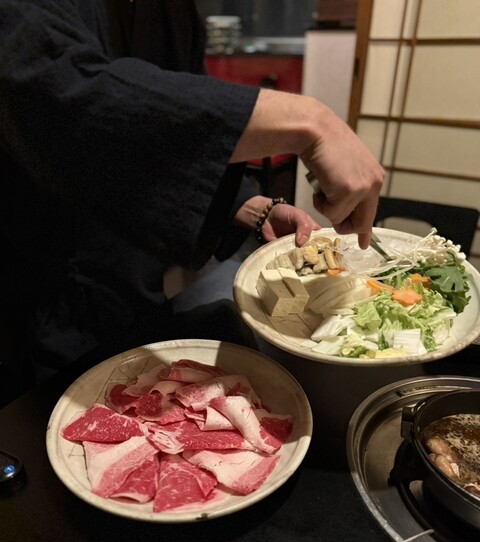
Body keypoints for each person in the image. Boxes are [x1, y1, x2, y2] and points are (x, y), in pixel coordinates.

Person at [0, 0, 384, 394]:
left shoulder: (173, 10)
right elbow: (55, 90)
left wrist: (246, 205)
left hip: (129, 287)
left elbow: (175, 132)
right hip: (32, 289)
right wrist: (309, 121)